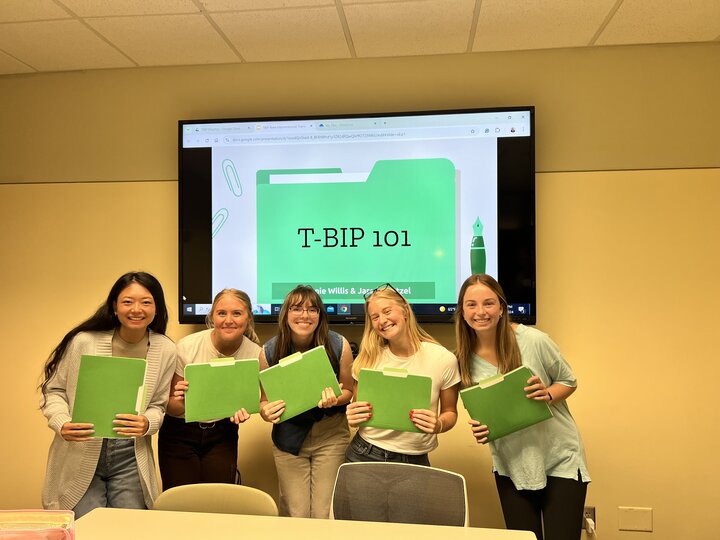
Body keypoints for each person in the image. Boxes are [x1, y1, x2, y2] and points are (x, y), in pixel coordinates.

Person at [455, 274, 590, 540]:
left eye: (488, 303)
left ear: (502, 307)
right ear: (462, 311)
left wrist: (548, 394)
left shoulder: (534, 341)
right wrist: (483, 429)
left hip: (559, 460)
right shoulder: (461, 359)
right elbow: (487, 414)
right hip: (510, 465)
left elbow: (569, 381)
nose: (480, 312)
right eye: (471, 305)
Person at [39, 271, 176, 518]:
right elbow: (53, 391)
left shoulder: (165, 348)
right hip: (82, 448)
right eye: (127, 301)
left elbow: (159, 405)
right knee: (87, 528)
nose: (137, 309)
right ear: (114, 307)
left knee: (130, 528)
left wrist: (147, 423)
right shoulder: (84, 341)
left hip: (130, 454)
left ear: (157, 308)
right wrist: (62, 423)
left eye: (146, 302)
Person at [259, 285, 353, 518]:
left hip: (331, 437)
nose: (305, 315)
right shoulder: (268, 351)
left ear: (320, 316)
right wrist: (266, 412)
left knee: (324, 513)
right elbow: (264, 402)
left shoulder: (339, 345)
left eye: (312, 310)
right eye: (297, 309)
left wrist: (335, 399)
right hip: (288, 441)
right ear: (286, 314)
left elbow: (349, 391)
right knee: (296, 513)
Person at [158, 289, 263, 489]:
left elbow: (257, 401)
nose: (228, 320)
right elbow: (171, 407)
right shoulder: (187, 346)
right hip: (179, 433)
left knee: (217, 501)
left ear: (248, 317)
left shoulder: (255, 354)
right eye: (222, 313)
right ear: (212, 316)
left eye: (237, 313)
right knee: (180, 503)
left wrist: (244, 410)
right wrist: (183, 400)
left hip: (222, 433)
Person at [345, 283, 460, 465]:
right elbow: (359, 415)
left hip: (416, 458)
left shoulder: (443, 359)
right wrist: (352, 416)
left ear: (405, 310)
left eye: (387, 311)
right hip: (364, 453)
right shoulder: (366, 361)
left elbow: (450, 412)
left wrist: (438, 424)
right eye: (375, 317)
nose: (382, 320)